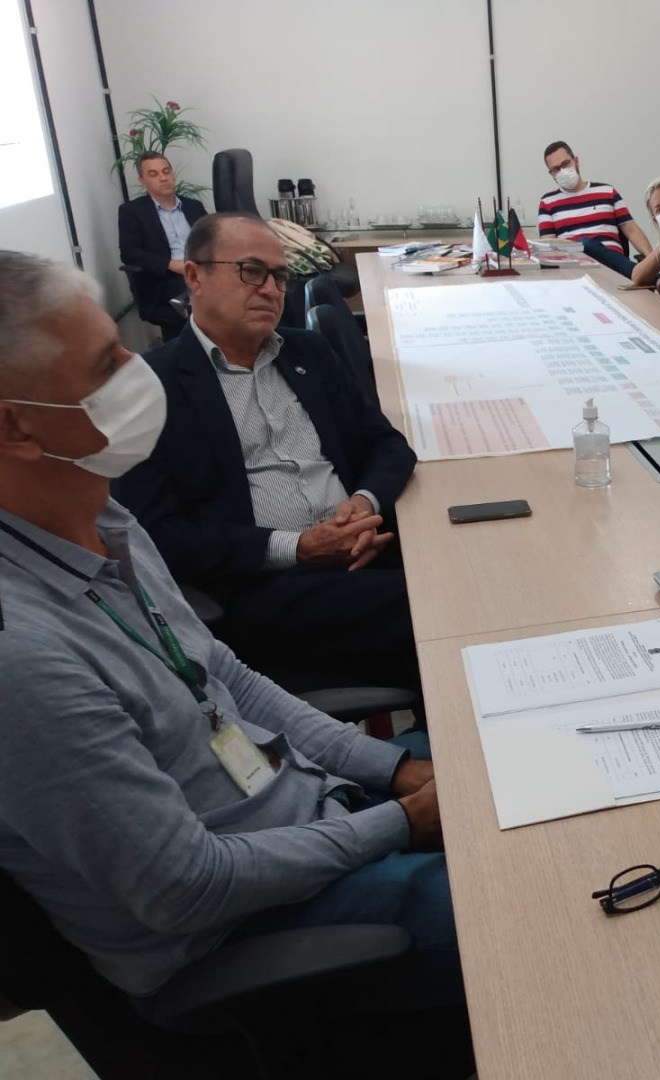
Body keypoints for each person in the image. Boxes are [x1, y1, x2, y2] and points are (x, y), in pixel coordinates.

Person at [0, 251, 470, 1067]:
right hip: (252, 932)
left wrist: (393, 771)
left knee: (532, 766)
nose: (137, 373)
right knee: (557, 890)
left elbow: (228, 678)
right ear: (17, 427)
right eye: (107, 365)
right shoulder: (23, 658)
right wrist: (401, 821)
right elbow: (185, 886)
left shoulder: (103, 520)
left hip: (313, 807)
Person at [112, 213, 422, 695]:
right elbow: (158, 536)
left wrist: (363, 505)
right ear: (194, 276)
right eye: (251, 271)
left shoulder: (307, 353)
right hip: (266, 585)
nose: (271, 290)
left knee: (474, 569)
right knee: (439, 607)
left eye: (279, 277)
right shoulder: (150, 387)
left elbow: (386, 444)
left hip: (366, 548)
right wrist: (298, 546)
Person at [117, 151, 208, 340]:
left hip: (201, 270)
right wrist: (170, 264)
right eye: (154, 174)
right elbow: (129, 253)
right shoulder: (133, 212)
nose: (163, 178)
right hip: (166, 277)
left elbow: (212, 239)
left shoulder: (193, 207)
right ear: (142, 181)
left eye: (166, 171)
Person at [536, 140, 652, 279]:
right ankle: (648, 277)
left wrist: (652, 261)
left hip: (614, 268)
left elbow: (632, 230)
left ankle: (647, 275)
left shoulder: (607, 192)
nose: (562, 171)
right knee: (585, 245)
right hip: (575, 271)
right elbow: (549, 248)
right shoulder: (547, 202)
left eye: (566, 164)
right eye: (556, 169)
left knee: (587, 244)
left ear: (576, 161)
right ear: (551, 173)